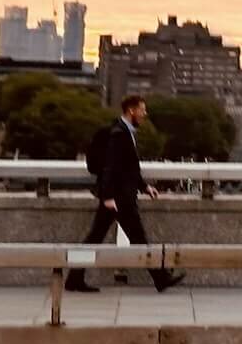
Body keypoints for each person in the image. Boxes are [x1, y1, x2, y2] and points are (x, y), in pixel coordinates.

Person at [75, 95, 181, 293]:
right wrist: (107, 197)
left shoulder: (125, 131)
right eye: (142, 110)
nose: (144, 114)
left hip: (117, 196)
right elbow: (111, 167)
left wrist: (144, 187)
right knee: (137, 239)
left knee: (96, 238)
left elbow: (128, 168)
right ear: (131, 110)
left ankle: (74, 278)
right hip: (118, 198)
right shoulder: (119, 134)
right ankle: (161, 278)